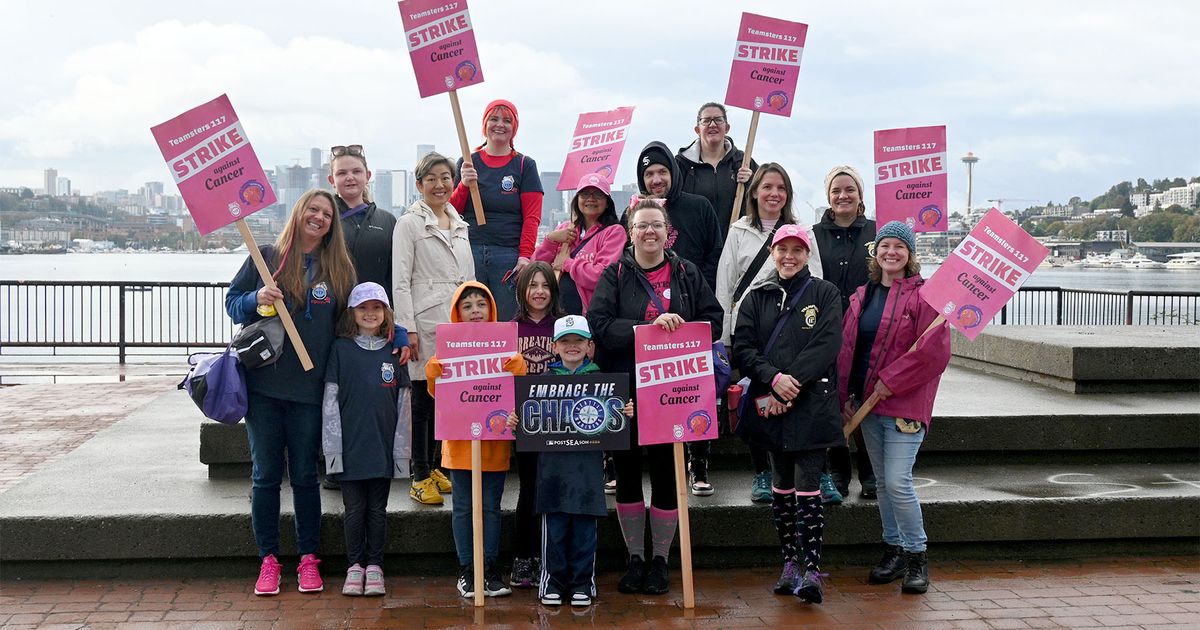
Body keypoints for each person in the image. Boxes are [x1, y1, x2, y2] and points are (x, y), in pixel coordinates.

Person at [587, 200, 723, 596]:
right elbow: (599, 326)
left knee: (667, 474)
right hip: (627, 390)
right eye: (642, 226)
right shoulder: (615, 274)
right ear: (630, 232)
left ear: (668, 231)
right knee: (627, 474)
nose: (650, 232)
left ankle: (660, 559)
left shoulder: (686, 272)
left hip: (673, 392)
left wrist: (682, 328)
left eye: (656, 226)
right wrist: (645, 327)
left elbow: (713, 323)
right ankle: (635, 559)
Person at [225, 189, 357, 596]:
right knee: (265, 476)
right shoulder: (265, 257)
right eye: (313, 210)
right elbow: (232, 305)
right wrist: (255, 298)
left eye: (327, 214)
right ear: (299, 213)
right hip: (263, 387)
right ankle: (268, 559)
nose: (319, 217)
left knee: (303, 476)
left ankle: (307, 559)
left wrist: (397, 334)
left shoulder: (339, 270)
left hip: (310, 391)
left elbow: (353, 325)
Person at [731, 224, 844, 604]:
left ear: (807, 253)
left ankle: (812, 570)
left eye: (797, 249)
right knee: (780, 485)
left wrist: (792, 379)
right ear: (773, 253)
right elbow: (743, 348)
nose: (789, 256)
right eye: (783, 250)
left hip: (812, 404)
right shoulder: (756, 298)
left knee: (808, 484)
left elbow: (828, 343)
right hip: (772, 403)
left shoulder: (825, 294)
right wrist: (772, 378)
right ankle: (790, 564)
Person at [837, 221, 951, 595]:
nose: (891, 252)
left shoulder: (925, 297)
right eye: (885, 245)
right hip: (867, 405)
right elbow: (849, 351)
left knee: (898, 482)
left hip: (903, 403)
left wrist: (893, 381)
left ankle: (917, 554)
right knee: (883, 485)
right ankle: (894, 550)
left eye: (899, 247)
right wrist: (845, 396)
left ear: (910, 254)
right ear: (876, 251)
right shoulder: (862, 296)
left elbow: (934, 353)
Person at [716, 163, 823, 503]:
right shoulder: (739, 230)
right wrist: (724, 337)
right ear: (755, 192)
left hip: (791, 328)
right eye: (767, 187)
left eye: (781, 188)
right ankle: (762, 470)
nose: (774, 194)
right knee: (754, 399)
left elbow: (816, 280)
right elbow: (726, 283)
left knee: (794, 399)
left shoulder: (801, 231)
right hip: (751, 329)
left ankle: (804, 470)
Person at [424, 281, 528, 598]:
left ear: (491, 309)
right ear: (457, 312)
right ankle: (468, 569)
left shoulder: (505, 346)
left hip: (494, 444)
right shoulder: (447, 347)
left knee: (491, 508)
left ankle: (490, 568)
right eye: (467, 305)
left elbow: (515, 391)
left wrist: (518, 367)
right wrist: (433, 373)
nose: (475, 311)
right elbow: (437, 395)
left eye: (481, 304)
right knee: (463, 509)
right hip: (458, 446)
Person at [635, 141, 723, 495]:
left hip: (688, 312)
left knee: (695, 391)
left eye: (662, 171)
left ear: (673, 172)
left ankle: (698, 464)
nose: (656, 179)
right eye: (649, 174)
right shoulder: (636, 212)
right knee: (662, 396)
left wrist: (692, 287)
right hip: (650, 322)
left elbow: (715, 253)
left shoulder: (698, 207)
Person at [535, 315, 635, 607]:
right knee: (553, 530)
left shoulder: (602, 382)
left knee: (584, 531)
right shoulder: (542, 382)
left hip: (588, 471)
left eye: (578, 341)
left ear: (590, 346)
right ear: (554, 347)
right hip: (552, 473)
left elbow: (613, 421)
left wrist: (623, 412)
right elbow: (529, 420)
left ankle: (582, 582)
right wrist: (519, 419)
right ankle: (552, 582)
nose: (572, 346)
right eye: (565, 341)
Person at [393, 152, 474, 506]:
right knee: (423, 399)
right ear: (419, 184)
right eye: (432, 178)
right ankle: (419, 473)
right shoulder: (409, 224)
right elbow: (400, 280)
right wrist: (407, 327)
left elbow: (467, 277)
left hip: (457, 320)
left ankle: (436, 465)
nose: (440, 184)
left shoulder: (459, 222)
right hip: (425, 321)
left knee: (446, 399)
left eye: (446, 177)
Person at [321, 282, 411, 597]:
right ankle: (354, 566)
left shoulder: (395, 352)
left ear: (386, 313)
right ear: (353, 313)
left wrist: (402, 452)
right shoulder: (340, 349)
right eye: (363, 308)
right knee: (354, 509)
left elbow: (404, 406)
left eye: (376, 308)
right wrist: (332, 449)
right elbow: (330, 402)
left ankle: (375, 565)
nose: (370, 314)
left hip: (382, 447)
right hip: (350, 448)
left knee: (378, 509)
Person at [811, 165, 878, 504]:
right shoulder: (814, 234)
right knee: (833, 401)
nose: (843, 196)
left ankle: (869, 472)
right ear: (828, 196)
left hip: (868, 328)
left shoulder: (877, 232)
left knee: (865, 398)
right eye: (836, 190)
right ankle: (839, 470)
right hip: (830, 329)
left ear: (860, 194)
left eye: (849, 189)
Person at [452, 99, 544, 321]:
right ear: (485, 125)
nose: (500, 125)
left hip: (508, 255)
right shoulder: (467, 162)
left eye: (507, 120)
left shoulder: (524, 165)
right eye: (494, 119)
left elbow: (532, 216)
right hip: (470, 251)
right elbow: (452, 211)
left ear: (515, 128)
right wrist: (464, 184)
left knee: (505, 320)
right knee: (471, 319)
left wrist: (524, 256)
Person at [509, 261, 566, 588]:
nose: (540, 292)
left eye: (545, 285)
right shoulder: (509, 329)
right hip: (524, 423)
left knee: (553, 488)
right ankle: (523, 557)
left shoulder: (563, 326)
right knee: (528, 489)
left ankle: (550, 554)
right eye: (533, 285)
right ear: (522, 291)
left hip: (558, 422)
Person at [533, 173, 626, 315]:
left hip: (591, 314)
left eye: (598, 195)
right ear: (576, 200)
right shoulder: (565, 229)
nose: (591, 199)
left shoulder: (614, 232)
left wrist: (567, 264)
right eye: (585, 194)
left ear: (607, 202)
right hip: (555, 312)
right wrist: (550, 240)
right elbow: (536, 268)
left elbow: (601, 277)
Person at [675, 102, 757, 237]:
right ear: (697, 130)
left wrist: (752, 182)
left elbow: (762, 200)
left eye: (718, 120)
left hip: (734, 245)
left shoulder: (743, 162)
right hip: (694, 248)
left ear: (727, 127)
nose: (712, 124)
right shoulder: (681, 164)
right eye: (706, 121)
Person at [329, 144, 396, 290]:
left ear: (368, 176)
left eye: (356, 171)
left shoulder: (387, 221)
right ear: (332, 180)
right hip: (334, 309)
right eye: (341, 173)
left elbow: (397, 273)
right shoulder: (324, 219)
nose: (350, 177)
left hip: (376, 308)